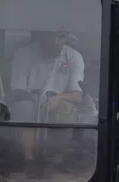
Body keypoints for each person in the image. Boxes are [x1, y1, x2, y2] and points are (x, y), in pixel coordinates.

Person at [8, 30, 86, 160]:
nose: (55, 42)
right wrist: (36, 100)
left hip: (58, 102)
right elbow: (16, 91)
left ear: (66, 38)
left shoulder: (74, 57)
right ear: (42, 36)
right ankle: (29, 160)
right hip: (29, 101)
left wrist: (59, 98)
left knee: (65, 109)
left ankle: (56, 160)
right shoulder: (24, 54)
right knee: (24, 108)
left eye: (60, 37)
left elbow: (78, 95)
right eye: (51, 37)